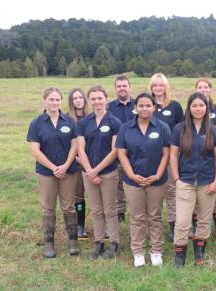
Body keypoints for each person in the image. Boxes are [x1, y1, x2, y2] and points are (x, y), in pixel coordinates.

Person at [116, 93, 171, 267]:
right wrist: (131, 175)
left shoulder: (162, 127)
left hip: (157, 180)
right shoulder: (125, 128)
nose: (145, 108)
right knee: (137, 216)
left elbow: (166, 154)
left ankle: (156, 251)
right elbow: (121, 154)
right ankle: (138, 252)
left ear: (154, 108)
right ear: (135, 107)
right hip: (133, 181)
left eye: (148, 105)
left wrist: (157, 175)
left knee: (154, 216)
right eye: (141, 105)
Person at [170, 92, 216, 267]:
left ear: (207, 108)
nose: (198, 109)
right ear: (189, 108)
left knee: (204, 219)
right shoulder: (179, 128)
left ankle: (199, 253)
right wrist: (177, 178)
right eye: (195, 106)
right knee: (183, 220)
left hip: (207, 182)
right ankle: (180, 255)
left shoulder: (213, 130)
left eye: (201, 105)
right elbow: (172, 154)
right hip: (185, 181)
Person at [27, 87, 80, 258]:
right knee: (48, 208)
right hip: (46, 173)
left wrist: (65, 166)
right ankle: (49, 243)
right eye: (51, 99)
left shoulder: (70, 121)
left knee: (69, 206)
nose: (55, 103)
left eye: (57, 100)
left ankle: (73, 240)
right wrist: (53, 167)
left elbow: (75, 146)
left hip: (68, 171)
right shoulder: (36, 123)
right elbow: (35, 150)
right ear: (45, 100)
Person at [76, 85, 122, 259]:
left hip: (108, 173)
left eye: (99, 98)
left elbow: (114, 151)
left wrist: (96, 170)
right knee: (96, 210)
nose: (96, 102)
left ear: (105, 99)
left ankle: (114, 243)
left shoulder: (114, 122)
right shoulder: (83, 123)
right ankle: (99, 242)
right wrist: (89, 171)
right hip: (88, 173)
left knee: (110, 209)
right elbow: (80, 148)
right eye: (93, 98)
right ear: (90, 100)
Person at [149, 73, 184, 242]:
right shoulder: (146, 105)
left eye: (161, 85)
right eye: (155, 85)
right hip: (150, 155)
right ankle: (153, 225)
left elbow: (181, 130)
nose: (158, 88)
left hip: (170, 155)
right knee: (153, 191)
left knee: (171, 191)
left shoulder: (175, 106)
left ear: (166, 87)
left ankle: (173, 224)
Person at [195, 78, 216, 238]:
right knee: (194, 189)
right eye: (200, 87)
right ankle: (195, 224)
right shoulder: (192, 106)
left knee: (215, 189)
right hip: (194, 153)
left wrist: (206, 138)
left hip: (212, 153)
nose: (203, 89)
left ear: (210, 89)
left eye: (206, 87)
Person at [107, 75, 135, 223]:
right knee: (118, 184)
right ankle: (120, 212)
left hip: (137, 154)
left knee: (135, 183)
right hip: (117, 153)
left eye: (124, 86)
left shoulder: (139, 104)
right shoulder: (109, 107)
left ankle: (138, 210)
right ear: (115, 89)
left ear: (130, 87)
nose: (122, 89)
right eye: (119, 86)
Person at [68, 88, 92, 239]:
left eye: (80, 97)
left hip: (93, 163)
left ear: (84, 99)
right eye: (74, 98)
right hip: (75, 164)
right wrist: (77, 159)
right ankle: (80, 226)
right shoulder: (67, 120)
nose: (78, 100)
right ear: (71, 101)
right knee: (78, 196)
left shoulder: (92, 117)